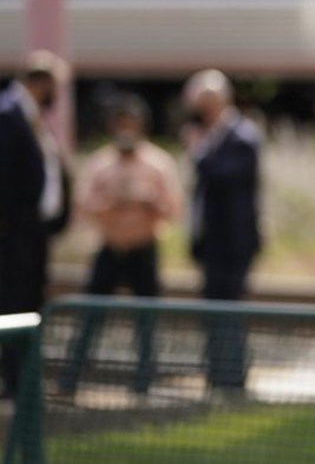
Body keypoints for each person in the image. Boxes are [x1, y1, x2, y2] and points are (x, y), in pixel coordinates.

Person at [60, 93, 182, 396]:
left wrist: (148, 202)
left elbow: (174, 208)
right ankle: (71, 380)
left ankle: (144, 384)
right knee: (90, 318)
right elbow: (83, 204)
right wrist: (113, 203)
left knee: (147, 322)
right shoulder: (100, 163)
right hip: (110, 248)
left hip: (144, 248)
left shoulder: (159, 163)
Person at [182, 69, 262, 390]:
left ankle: (231, 378)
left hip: (233, 243)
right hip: (211, 242)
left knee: (230, 310)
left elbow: (225, 177)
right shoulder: (212, 137)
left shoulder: (242, 136)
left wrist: (197, 153)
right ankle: (217, 374)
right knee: (213, 311)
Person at [0, 50, 71, 399]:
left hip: (32, 236)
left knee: (28, 305)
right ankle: (14, 385)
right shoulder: (8, 115)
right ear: (41, 82)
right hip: (13, 238)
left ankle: (22, 382)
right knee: (13, 307)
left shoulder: (32, 119)